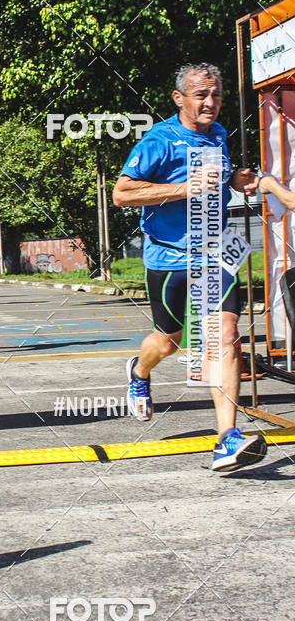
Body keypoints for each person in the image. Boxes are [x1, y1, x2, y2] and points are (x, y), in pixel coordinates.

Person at [112, 63, 267, 472]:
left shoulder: (217, 134)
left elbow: (218, 177)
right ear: (180, 98)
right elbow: (122, 194)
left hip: (214, 254)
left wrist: (236, 180)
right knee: (168, 342)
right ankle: (140, 370)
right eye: (201, 95)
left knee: (225, 335)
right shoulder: (158, 140)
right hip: (169, 258)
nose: (211, 103)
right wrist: (184, 189)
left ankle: (226, 438)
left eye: (215, 95)